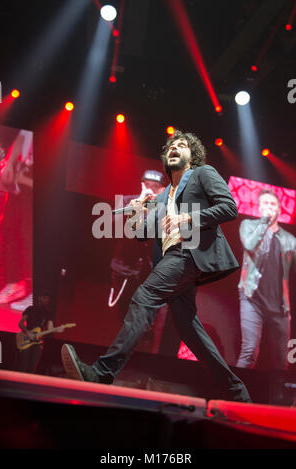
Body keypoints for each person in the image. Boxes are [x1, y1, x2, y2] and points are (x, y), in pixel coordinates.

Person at [61, 130, 251, 402]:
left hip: (190, 254)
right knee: (189, 329)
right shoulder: (161, 198)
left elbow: (229, 208)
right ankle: (237, 392)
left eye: (181, 145)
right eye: (171, 146)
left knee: (144, 297)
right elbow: (141, 233)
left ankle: (101, 373)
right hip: (172, 259)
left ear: (192, 154)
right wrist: (139, 210)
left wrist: (187, 218)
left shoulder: (203, 174)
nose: (174, 148)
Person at [236, 189, 296, 370]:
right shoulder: (248, 226)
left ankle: (278, 398)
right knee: (249, 351)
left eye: (273, 204)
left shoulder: (290, 239)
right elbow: (250, 245)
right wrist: (264, 223)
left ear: (279, 209)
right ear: (260, 208)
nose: (269, 207)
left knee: (282, 360)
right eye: (266, 204)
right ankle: (232, 395)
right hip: (251, 297)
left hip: (279, 306)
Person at [109, 169, 167, 353]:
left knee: (144, 321)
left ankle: (140, 355)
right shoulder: (127, 201)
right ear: (141, 185)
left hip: (149, 275)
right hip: (125, 271)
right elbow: (113, 227)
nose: (150, 190)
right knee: (122, 318)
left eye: (155, 187)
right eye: (147, 185)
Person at [0, 129, 33, 309]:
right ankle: (15, 284)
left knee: (29, 238)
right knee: (8, 228)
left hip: (33, 189)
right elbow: (23, 135)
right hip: (20, 185)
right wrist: (9, 165)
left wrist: (21, 178)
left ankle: (36, 293)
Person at [16, 292, 64, 373]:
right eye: (44, 297)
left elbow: (50, 328)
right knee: (23, 365)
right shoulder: (30, 309)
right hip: (26, 339)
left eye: (48, 298)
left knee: (32, 367)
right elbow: (20, 323)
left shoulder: (49, 313)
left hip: (38, 342)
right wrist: (28, 333)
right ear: (39, 298)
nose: (46, 300)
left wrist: (57, 330)